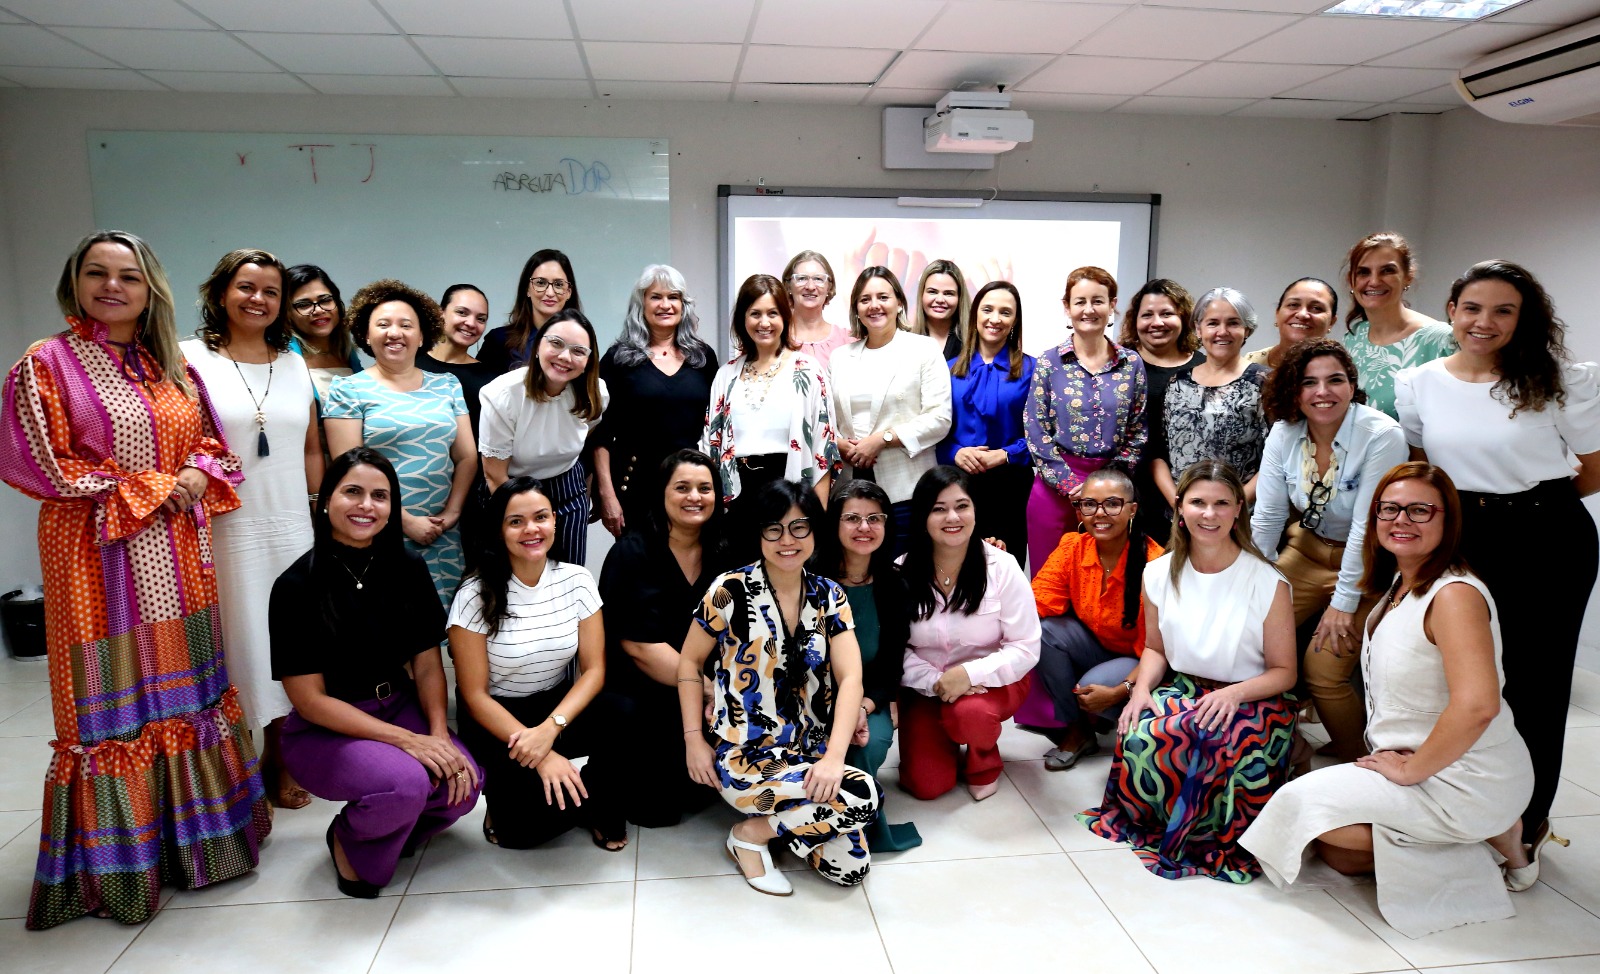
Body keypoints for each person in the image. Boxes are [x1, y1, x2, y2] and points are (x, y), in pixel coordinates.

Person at [0, 230, 271, 929]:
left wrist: (194, 473)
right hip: (95, 559)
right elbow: (41, 464)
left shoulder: (167, 364)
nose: (112, 286)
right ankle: (122, 870)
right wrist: (159, 485)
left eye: (128, 276)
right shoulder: (46, 363)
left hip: (178, 558)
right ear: (75, 282)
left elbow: (213, 446)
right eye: (97, 273)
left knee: (190, 691)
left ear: (151, 290)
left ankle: (200, 849)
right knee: (109, 705)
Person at [1242, 463, 1535, 938]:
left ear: (1448, 521)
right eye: (1390, 509)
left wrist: (1411, 770)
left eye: (1420, 510)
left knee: (1299, 810)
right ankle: (1495, 834)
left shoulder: (1454, 594)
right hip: (1424, 764)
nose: (1402, 520)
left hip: (1464, 775)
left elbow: (1479, 705)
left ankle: (1492, 833)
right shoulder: (1399, 586)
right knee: (1338, 854)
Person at [1395, 258, 1600, 848]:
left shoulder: (1557, 378)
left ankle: (1526, 823)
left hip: (1547, 537)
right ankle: (1459, 807)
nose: (1484, 322)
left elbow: (1594, 464)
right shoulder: (1421, 382)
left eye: (1503, 311)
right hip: (1461, 537)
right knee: (1460, 681)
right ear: (1452, 312)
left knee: (1535, 684)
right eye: (1472, 308)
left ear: (1523, 318)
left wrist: (1531, 502)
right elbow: (1424, 467)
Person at [270, 448, 481, 898]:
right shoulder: (295, 586)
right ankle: (348, 838)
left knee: (464, 781)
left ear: (392, 508)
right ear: (327, 500)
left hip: (398, 705)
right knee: (406, 783)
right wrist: (410, 742)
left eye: (380, 496)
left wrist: (439, 734)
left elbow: (427, 663)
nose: (367, 505)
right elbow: (309, 700)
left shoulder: (407, 568)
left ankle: (390, 827)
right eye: (353, 492)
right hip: (327, 728)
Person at [1079, 460, 1297, 882]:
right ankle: (1159, 825)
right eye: (1198, 502)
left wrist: (1233, 695)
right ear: (1180, 508)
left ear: (1238, 510)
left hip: (1254, 694)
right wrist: (1140, 689)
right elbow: (1157, 649)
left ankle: (1210, 838)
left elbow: (1284, 671)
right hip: (1185, 685)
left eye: (1221, 503)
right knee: (1145, 734)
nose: (1209, 514)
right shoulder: (1159, 571)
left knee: (1215, 741)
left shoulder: (1268, 580)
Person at [679, 480, 880, 895]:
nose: (787, 541)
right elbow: (688, 662)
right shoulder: (729, 590)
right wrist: (693, 741)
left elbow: (851, 679)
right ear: (758, 533)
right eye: (774, 529)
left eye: (799, 528)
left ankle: (776, 826)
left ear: (815, 532)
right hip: (746, 756)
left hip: (811, 752)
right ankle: (749, 836)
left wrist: (833, 759)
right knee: (863, 796)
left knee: (850, 870)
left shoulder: (830, 596)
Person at [182, 248, 322, 810]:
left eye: (270, 290)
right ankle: (235, 768)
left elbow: (311, 445)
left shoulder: (294, 361)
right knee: (236, 644)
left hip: (292, 524)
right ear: (221, 293)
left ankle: (279, 759)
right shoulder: (189, 359)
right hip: (225, 527)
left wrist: (316, 509)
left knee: (286, 644)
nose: (258, 299)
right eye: (246, 287)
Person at [449, 478, 627, 851]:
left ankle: (592, 798)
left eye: (540, 517)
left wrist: (551, 729)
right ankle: (518, 802)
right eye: (516, 521)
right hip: (498, 718)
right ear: (499, 530)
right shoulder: (474, 594)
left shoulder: (577, 580)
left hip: (554, 705)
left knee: (621, 711)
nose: (531, 529)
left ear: (555, 522)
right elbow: (473, 695)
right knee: (526, 834)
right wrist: (542, 753)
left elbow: (594, 670)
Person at [1252, 339, 1408, 761]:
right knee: (1247, 634)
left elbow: (1365, 527)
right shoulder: (1284, 433)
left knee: (1324, 670)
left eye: (1335, 380)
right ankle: (1259, 739)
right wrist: (1248, 583)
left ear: (1352, 384)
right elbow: (1266, 518)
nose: (1323, 392)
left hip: (1367, 565)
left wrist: (1343, 603)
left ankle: (1353, 753)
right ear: (1294, 391)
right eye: (1310, 383)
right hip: (1305, 552)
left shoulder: (1381, 435)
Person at [598, 449, 729, 827]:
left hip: (706, 688)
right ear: (662, 494)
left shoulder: (725, 552)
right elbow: (638, 647)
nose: (695, 497)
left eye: (705, 489)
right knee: (657, 812)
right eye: (683, 488)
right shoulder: (630, 553)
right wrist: (707, 690)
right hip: (644, 687)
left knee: (700, 797)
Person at [324, 279, 475, 606]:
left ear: (422, 336)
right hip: (376, 531)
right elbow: (348, 471)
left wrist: (451, 514)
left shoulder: (447, 384)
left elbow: (466, 457)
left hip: (443, 533)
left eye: (406, 325)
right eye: (383, 325)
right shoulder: (347, 390)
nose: (395, 333)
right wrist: (405, 522)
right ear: (366, 334)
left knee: (446, 629)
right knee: (392, 633)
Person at [898, 466, 1041, 802]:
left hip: (993, 684)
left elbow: (1025, 647)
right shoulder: (901, 571)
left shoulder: (1002, 566)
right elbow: (896, 648)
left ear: (975, 510)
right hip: (925, 687)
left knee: (970, 715)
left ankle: (982, 756)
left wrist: (968, 674)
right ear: (923, 515)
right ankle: (945, 738)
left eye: (962, 506)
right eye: (939, 508)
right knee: (927, 785)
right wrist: (937, 680)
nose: (953, 517)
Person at [1014, 467, 1161, 771]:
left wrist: (1120, 690)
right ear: (1079, 510)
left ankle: (1136, 724)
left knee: (1095, 684)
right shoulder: (1072, 546)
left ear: (1132, 509)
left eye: (1112, 503)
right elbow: (1035, 604)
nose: (1100, 513)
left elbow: (1160, 651)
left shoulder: (1155, 564)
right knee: (1042, 631)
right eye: (1089, 504)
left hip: (1144, 660)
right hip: (1096, 647)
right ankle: (1077, 730)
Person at [814, 479, 922, 851]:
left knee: (866, 743)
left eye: (875, 518)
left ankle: (853, 825)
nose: (864, 527)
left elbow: (891, 666)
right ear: (835, 524)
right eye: (853, 518)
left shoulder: (894, 585)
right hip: (809, 699)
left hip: (866, 698)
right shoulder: (811, 578)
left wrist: (862, 707)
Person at [1026, 266, 1147, 571]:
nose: (1088, 310)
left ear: (1112, 305)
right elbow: (1035, 428)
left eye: (1098, 301)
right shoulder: (1049, 362)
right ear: (1067, 307)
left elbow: (1138, 431)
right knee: (1050, 582)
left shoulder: (1131, 363)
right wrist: (1069, 484)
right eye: (1080, 302)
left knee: (1104, 583)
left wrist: (1103, 489)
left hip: (1111, 496)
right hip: (1056, 492)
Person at [828, 266, 953, 551]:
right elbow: (826, 418)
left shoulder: (923, 349)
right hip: (849, 488)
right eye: (865, 299)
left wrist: (881, 440)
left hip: (905, 490)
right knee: (853, 575)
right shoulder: (840, 357)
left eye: (882, 296)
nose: (874, 305)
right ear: (856, 309)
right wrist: (839, 444)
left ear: (899, 302)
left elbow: (939, 418)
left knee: (904, 579)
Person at [593, 264, 718, 538]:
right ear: (641, 304)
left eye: (673, 297)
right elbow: (600, 435)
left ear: (683, 305)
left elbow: (717, 427)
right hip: (636, 488)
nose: (665, 305)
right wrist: (606, 495)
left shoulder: (703, 358)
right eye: (655, 297)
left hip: (692, 489)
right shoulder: (618, 359)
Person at [478, 308, 608, 566]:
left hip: (567, 488)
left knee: (568, 576)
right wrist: (527, 519)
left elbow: (586, 434)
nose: (565, 357)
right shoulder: (503, 394)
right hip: (509, 488)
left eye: (578, 351)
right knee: (514, 577)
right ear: (538, 347)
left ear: (588, 361)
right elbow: (494, 474)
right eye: (556, 344)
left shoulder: (596, 394)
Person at [701, 274, 837, 515]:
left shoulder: (807, 369)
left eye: (772, 313)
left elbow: (823, 448)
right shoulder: (726, 375)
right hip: (738, 497)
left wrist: (818, 517)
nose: (764, 323)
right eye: (755, 313)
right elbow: (711, 447)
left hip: (790, 492)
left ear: (785, 316)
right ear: (743, 318)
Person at [939, 281, 1036, 565]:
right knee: (959, 568)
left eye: (1005, 312)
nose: (995, 319)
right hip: (958, 484)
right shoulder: (947, 369)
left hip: (1011, 486)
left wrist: (1006, 454)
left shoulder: (1034, 369)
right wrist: (955, 451)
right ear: (975, 315)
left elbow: (1043, 435)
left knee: (1005, 571)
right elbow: (936, 429)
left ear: (1015, 321)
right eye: (988, 310)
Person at [1150, 287, 1269, 509]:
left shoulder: (1263, 382)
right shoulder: (1178, 382)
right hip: (1181, 516)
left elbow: (1276, 458)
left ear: (1247, 329)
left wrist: (1233, 505)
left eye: (1233, 323)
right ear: (1198, 328)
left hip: (1240, 516)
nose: (1222, 331)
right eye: (1213, 323)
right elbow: (1158, 453)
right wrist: (1179, 504)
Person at [416, 284, 497, 565]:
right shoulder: (408, 363)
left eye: (481, 318)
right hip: (412, 491)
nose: (471, 324)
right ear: (440, 314)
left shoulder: (489, 380)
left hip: (469, 500)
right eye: (462, 312)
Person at [1340, 232, 1454, 420]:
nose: (1374, 281)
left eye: (1387, 271)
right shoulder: (1353, 338)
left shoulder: (1440, 339)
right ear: (1351, 280)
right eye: (1364, 272)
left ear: (1408, 276)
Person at [1119, 278, 1202, 535]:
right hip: (1126, 491)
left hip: (1184, 493)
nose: (1157, 322)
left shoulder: (1203, 367)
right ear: (1135, 321)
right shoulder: (1118, 363)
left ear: (1184, 318)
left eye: (1167, 313)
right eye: (1147, 315)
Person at [479, 248, 580, 373]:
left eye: (558, 284)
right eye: (540, 283)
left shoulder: (581, 344)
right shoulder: (499, 341)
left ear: (569, 292)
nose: (550, 292)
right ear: (527, 289)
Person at [284, 263, 363, 407]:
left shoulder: (347, 351)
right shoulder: (282, 356)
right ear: (287, 314)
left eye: (325, 300)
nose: (318, 310)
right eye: (303, 304)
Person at [1242, 278, 1338, 370]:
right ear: (1277, 314)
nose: (1302, 314)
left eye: (1316, 308)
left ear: (1332, 322)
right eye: (1293, 305)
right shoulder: (1249, 364)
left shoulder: (1341, 370)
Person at [783, 249, 853, 369]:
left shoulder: (849, 340)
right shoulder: (774, 338)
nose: (810, 286)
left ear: (829, 287)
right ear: (788, 286)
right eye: (801, 278)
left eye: (818, 279)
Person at [909, 258, 971, 361]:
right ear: (921, 295)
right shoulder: (906, 342)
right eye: (932, 292)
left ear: (960, 298)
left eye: (949, 293)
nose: (940, 300)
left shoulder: (973, 343)